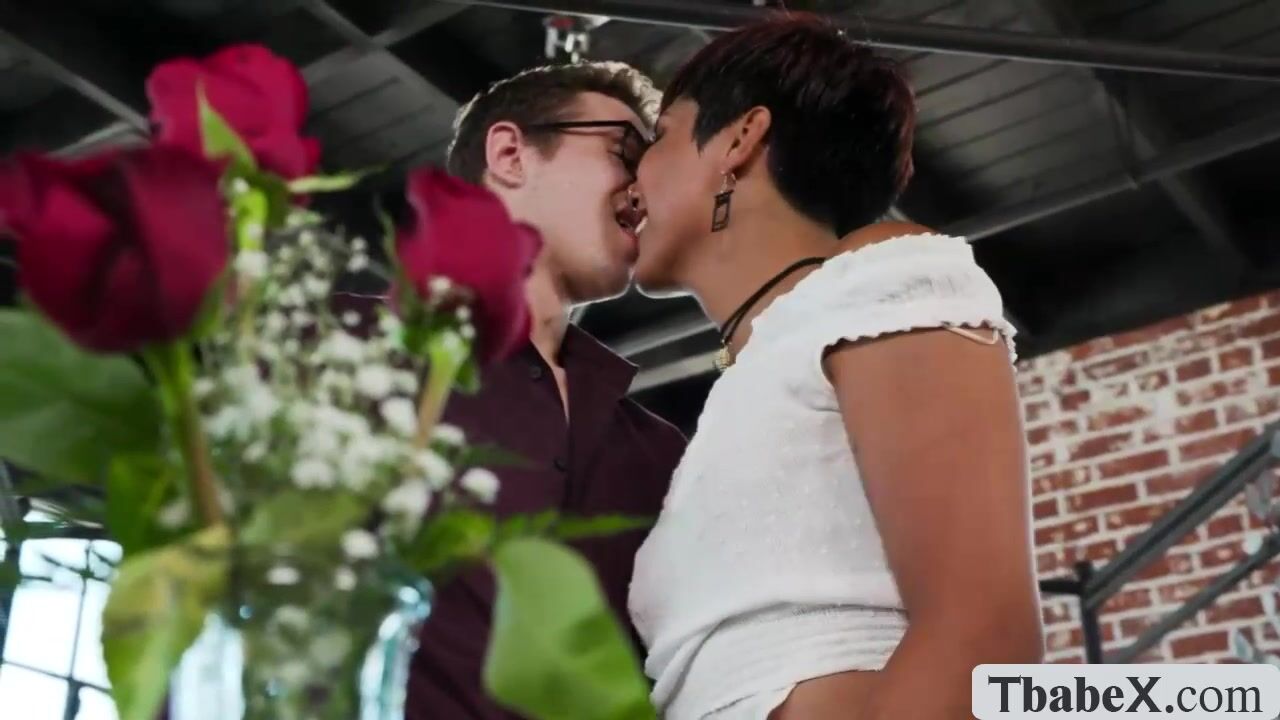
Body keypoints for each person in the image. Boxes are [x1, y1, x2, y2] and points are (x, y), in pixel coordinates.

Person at [626, 15, 1044, 720]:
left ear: (740, 138)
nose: (633, 177)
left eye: (659, 136)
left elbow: (982, 632)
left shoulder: (883, 282)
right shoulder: (741, 391)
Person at [404, 63, 686, 719]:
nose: (644, 187)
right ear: (510, 154)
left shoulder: (662, 455)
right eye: (625, 151)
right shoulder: (337, 341)